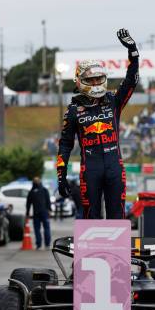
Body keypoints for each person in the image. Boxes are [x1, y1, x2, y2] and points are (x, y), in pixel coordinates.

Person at [56, 28, 139, 219]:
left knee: (117, 215)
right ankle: (92, 249)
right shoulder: (73, 111)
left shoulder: (113, 101)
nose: (95, 83)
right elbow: (65, 145)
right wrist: (61, 176)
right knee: (91, 217)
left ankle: (117, 250)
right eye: (90, 79)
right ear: (79, 81)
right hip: (90, 171)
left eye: (98, 78)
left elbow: (132, 80)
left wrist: (133, 52)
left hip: (115, 168)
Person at [26, 177, 52, 249]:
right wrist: (49, 210)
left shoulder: (31, 191)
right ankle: (47, 244)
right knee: (46, 228)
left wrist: (27, 213)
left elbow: (28, 204)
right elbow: (48, 201)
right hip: (44, 212)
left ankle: (39, 244)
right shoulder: (44, 190)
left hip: (36, 213)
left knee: (37, 229)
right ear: (40, 182)